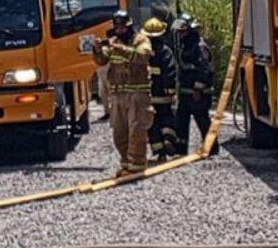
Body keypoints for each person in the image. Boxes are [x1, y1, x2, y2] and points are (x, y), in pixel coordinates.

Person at [91, 10, 153, 176]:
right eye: (116, 27)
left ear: (130, 26)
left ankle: (137, 165)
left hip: (137, 93)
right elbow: (102, 59)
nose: (119, 30)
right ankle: (126, 163)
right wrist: (97, 50)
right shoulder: (114, 41)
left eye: (122, 27)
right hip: (118, 94)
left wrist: (121, 49)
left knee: (137, 130)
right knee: (119, 133)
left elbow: (143, 56)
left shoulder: (141, 40)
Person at [173, 14, 217, 156]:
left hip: (198, 93)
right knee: (181, 122)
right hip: (185, 92)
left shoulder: (200, 47)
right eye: (179, 32)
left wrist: (198, 89)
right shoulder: (185, 45)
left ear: (191, 30)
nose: (181, 34)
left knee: (202, 121)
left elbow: (206, 70)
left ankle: (212, 148)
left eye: (183, 31)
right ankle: (180, 150)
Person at [143, 17, 178, 162]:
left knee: (152, 124)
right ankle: (168, 139)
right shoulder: (166, 51)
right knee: (167, 119)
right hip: (163, 95)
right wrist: (170, 89)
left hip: (148, 95)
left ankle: (159, 151)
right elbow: (171, 71)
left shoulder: (143, 51)